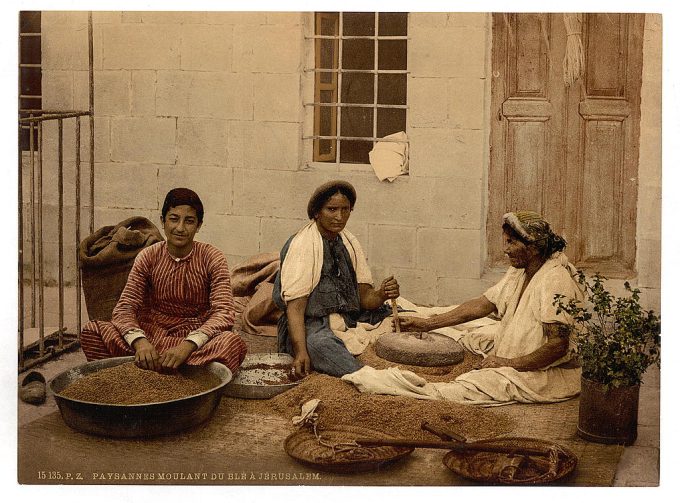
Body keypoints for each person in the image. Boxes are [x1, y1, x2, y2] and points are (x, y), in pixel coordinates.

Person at [379, 210, 584, 404]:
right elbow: (483, 305)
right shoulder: (520, 271)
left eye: (512, 243)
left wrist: (507, 363)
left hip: (543, 373)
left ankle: (384, 382)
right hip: (514, 357)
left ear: (533, 247)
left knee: (466, 388)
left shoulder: (555, 280)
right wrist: (428, 324)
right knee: (468, 336)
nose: (506, 249)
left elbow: (558, 346)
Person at [80, 188, 247, 373]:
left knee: (232, 344)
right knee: (92, 330)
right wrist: (140, 342)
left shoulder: (212, 257)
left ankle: (155, 373)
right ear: (163, 221)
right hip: (152, 334)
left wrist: (187, 346)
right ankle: (168, 373)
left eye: (189, 221)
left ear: (199, 225)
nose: (180, 228)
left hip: (193, 338)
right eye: (174, 219)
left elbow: (223, 311)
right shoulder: (148, 256)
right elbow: (125, 308)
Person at [272, 180, 400, 377]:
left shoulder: (348, 242)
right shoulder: (303, 245)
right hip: (311, 324)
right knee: (321, 346)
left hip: (348, 318)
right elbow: (295, 309)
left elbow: (364, 298)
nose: (339, 217)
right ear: (316, 212)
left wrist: (382, 294)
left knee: (402, 318)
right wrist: (300, 352)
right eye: (331, 209)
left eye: (345, 209)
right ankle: (369, 377)